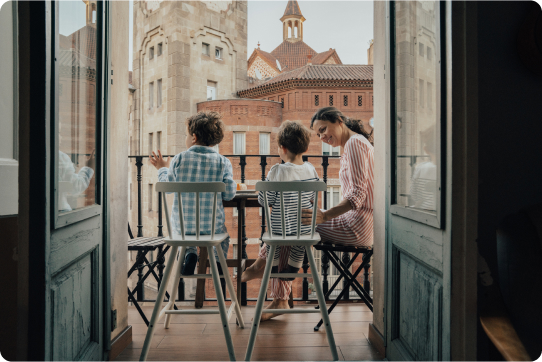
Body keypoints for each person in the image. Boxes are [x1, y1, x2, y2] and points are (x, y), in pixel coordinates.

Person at [242, 120, 319, 321]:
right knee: (282, 248)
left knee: (274, 245)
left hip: (283, 232)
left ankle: (273, 289)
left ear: (282, 149)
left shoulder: (277, 171)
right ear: (306, 147)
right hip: (306, 231)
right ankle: (265, 269)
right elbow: (313, 197)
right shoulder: (311, 170)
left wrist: (262, 190)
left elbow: (266, 200)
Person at [149, 111, 236, 276]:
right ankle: (217, 261)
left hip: (183, 228)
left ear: (194, 138)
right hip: (212, 228)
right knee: (222, 237)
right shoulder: (223, 162)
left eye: (187, 135)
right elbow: (229, 194)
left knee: (183, 235)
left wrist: (162, 169)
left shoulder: (179, 159)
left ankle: (189, 253)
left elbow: (166, 187)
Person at [302, 106, 374, 247]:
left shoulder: (354, 143)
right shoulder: (354, 143)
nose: (322, 137)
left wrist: (324, 216)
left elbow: (357, 194)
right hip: (360, 223)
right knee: (299, 217)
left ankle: (262, 267)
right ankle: (269, 267)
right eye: (318, 135)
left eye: (323, 130)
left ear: (339, 121)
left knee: (292, 223)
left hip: (357, 226)